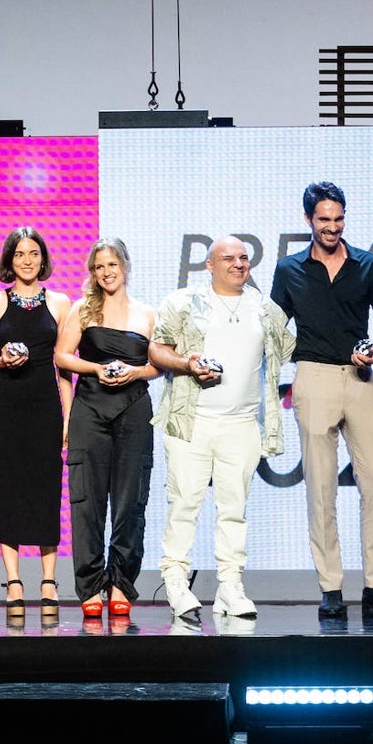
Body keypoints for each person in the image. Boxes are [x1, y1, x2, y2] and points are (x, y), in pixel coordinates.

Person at [270, 181, 373, 620]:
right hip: (313, 377)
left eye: (338, 218)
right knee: (321, 487)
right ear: (308, 220)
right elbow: (273, 326)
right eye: (323, 219)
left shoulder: (368, 264)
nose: (332, 226)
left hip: (362, 378)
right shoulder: (288, 269)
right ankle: (330, 587)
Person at [148, 235, 295, 620]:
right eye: (228, 258)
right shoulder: (182, 303)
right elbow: (157, 349)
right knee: (183, 505)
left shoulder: (265, 307)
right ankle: (176, 583)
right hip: (191, 421)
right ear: (209, 265)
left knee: (234, 509)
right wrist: (186, 363)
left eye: (244, 257)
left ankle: (231, 586)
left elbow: (287, 350)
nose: (238, 263)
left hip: (242, 423)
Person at [54, 237, 161, 619]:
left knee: (131, 502)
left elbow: (158, 365)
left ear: (125, 266)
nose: (106, 272)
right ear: (93, 272)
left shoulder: (146, 313)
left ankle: (121, 583)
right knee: (87, 501)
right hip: (90, 410)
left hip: (133, 410)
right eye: (99, 267)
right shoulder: (82, 309)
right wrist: (97, 368)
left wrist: (135, 371)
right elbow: (62, 356)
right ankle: (89, 585)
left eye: (112, 264)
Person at [0, 226, 71, 616]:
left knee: (47, 491)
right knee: (10, 490)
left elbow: (65, 368)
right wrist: (2, 361)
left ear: (43, 258)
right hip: (8, 407)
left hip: (46, 405)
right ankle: (14, 580)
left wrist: (69, 419)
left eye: (34, 253)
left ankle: (48, 580)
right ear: (9, 260)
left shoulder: (62, 303)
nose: (28, 260)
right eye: (20, 254)